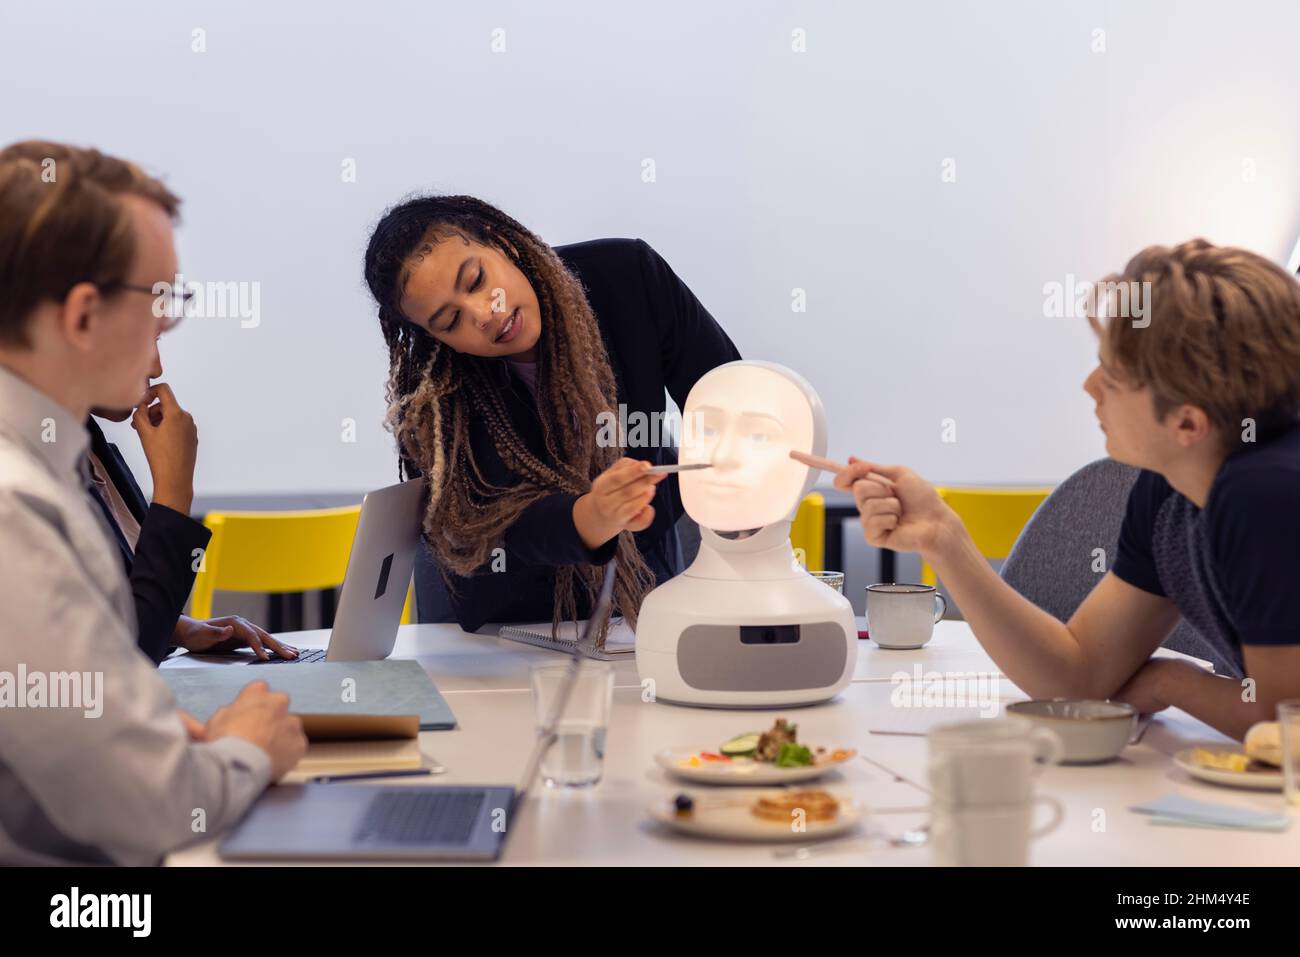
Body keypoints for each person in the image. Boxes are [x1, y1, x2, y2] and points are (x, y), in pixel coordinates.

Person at [836, 239, 1300, 740]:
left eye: (1115, 378)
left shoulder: (1266, 494)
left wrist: (1173, 681)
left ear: (1188, 423)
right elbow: (1077, 675)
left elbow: (1284, 721)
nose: (1090, 386)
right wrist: (942, 537)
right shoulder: (1168, 491)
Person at [0, 140, 306, 865]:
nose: (166, 331)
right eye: (160, 301)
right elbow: (152, 806)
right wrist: (247, 748)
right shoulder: (17, 510)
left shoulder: (53, 460)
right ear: (81, 317)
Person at [364, 195, 741, 634]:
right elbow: (504, 520)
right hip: (511, 610)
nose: (485, 314)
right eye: (450, 322)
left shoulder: (628, 276)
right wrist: (593, 515)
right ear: (434, 337)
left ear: (503, 243)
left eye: (477, 281)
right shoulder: (438, 399)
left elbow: (729, 394)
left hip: (639, 572)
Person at [87, 342, 296, 663]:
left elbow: (111, 617)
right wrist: (175, 488)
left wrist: (182, 629)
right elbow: (126, 666)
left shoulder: (87, 443)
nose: (156, 368)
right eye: (145, 336)